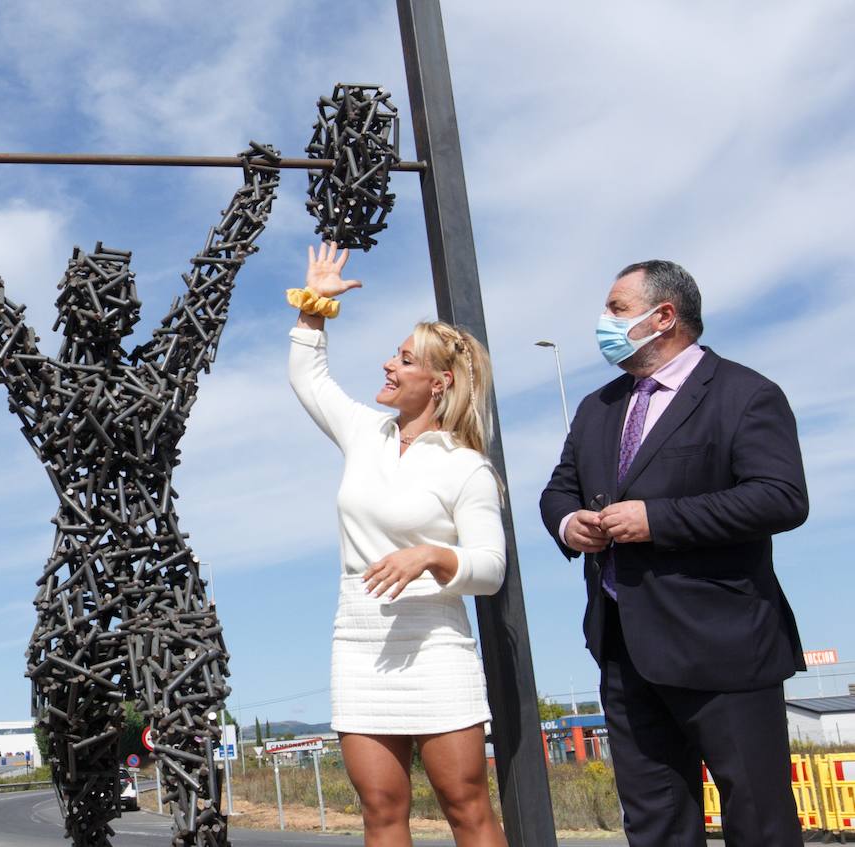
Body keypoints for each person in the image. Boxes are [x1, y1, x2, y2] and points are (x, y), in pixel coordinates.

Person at [539, 260, 808, 846]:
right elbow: (560, 487)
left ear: (663, 316)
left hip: (725, 646)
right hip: (624, 647)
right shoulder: (597, 407)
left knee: (757, 818)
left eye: (615, 309)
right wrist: (568, 523)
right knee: (655, 821)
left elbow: (781, 498)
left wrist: (655, 520)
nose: (602, 322)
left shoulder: (745, 394)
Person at [289, 243, 508, 847]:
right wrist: (314, 310)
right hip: (358, 638)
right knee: (381, 810)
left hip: (436, 643)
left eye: (404, 359)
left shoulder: (466, 468)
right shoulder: (365, 432)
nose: (388, 364)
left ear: (438, 383)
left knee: (466, 807)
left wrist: (432, 556)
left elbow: (490, 568)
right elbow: (307, 377)